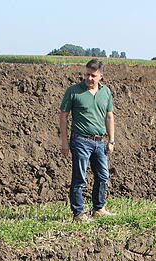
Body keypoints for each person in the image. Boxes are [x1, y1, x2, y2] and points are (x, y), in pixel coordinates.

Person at [59, 59, 116, 222]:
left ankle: (99, 208)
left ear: (101, 76)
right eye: (87, 74)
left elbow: (109, 116)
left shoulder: (105, 92)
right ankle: (78, 213)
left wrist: (111, 140)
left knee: (103, 176)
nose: (89, 78)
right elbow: (63, 116)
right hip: (81, 140)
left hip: (99, 141)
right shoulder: (74, 91)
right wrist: (64, 142)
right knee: (79, 178)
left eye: (93, 75)